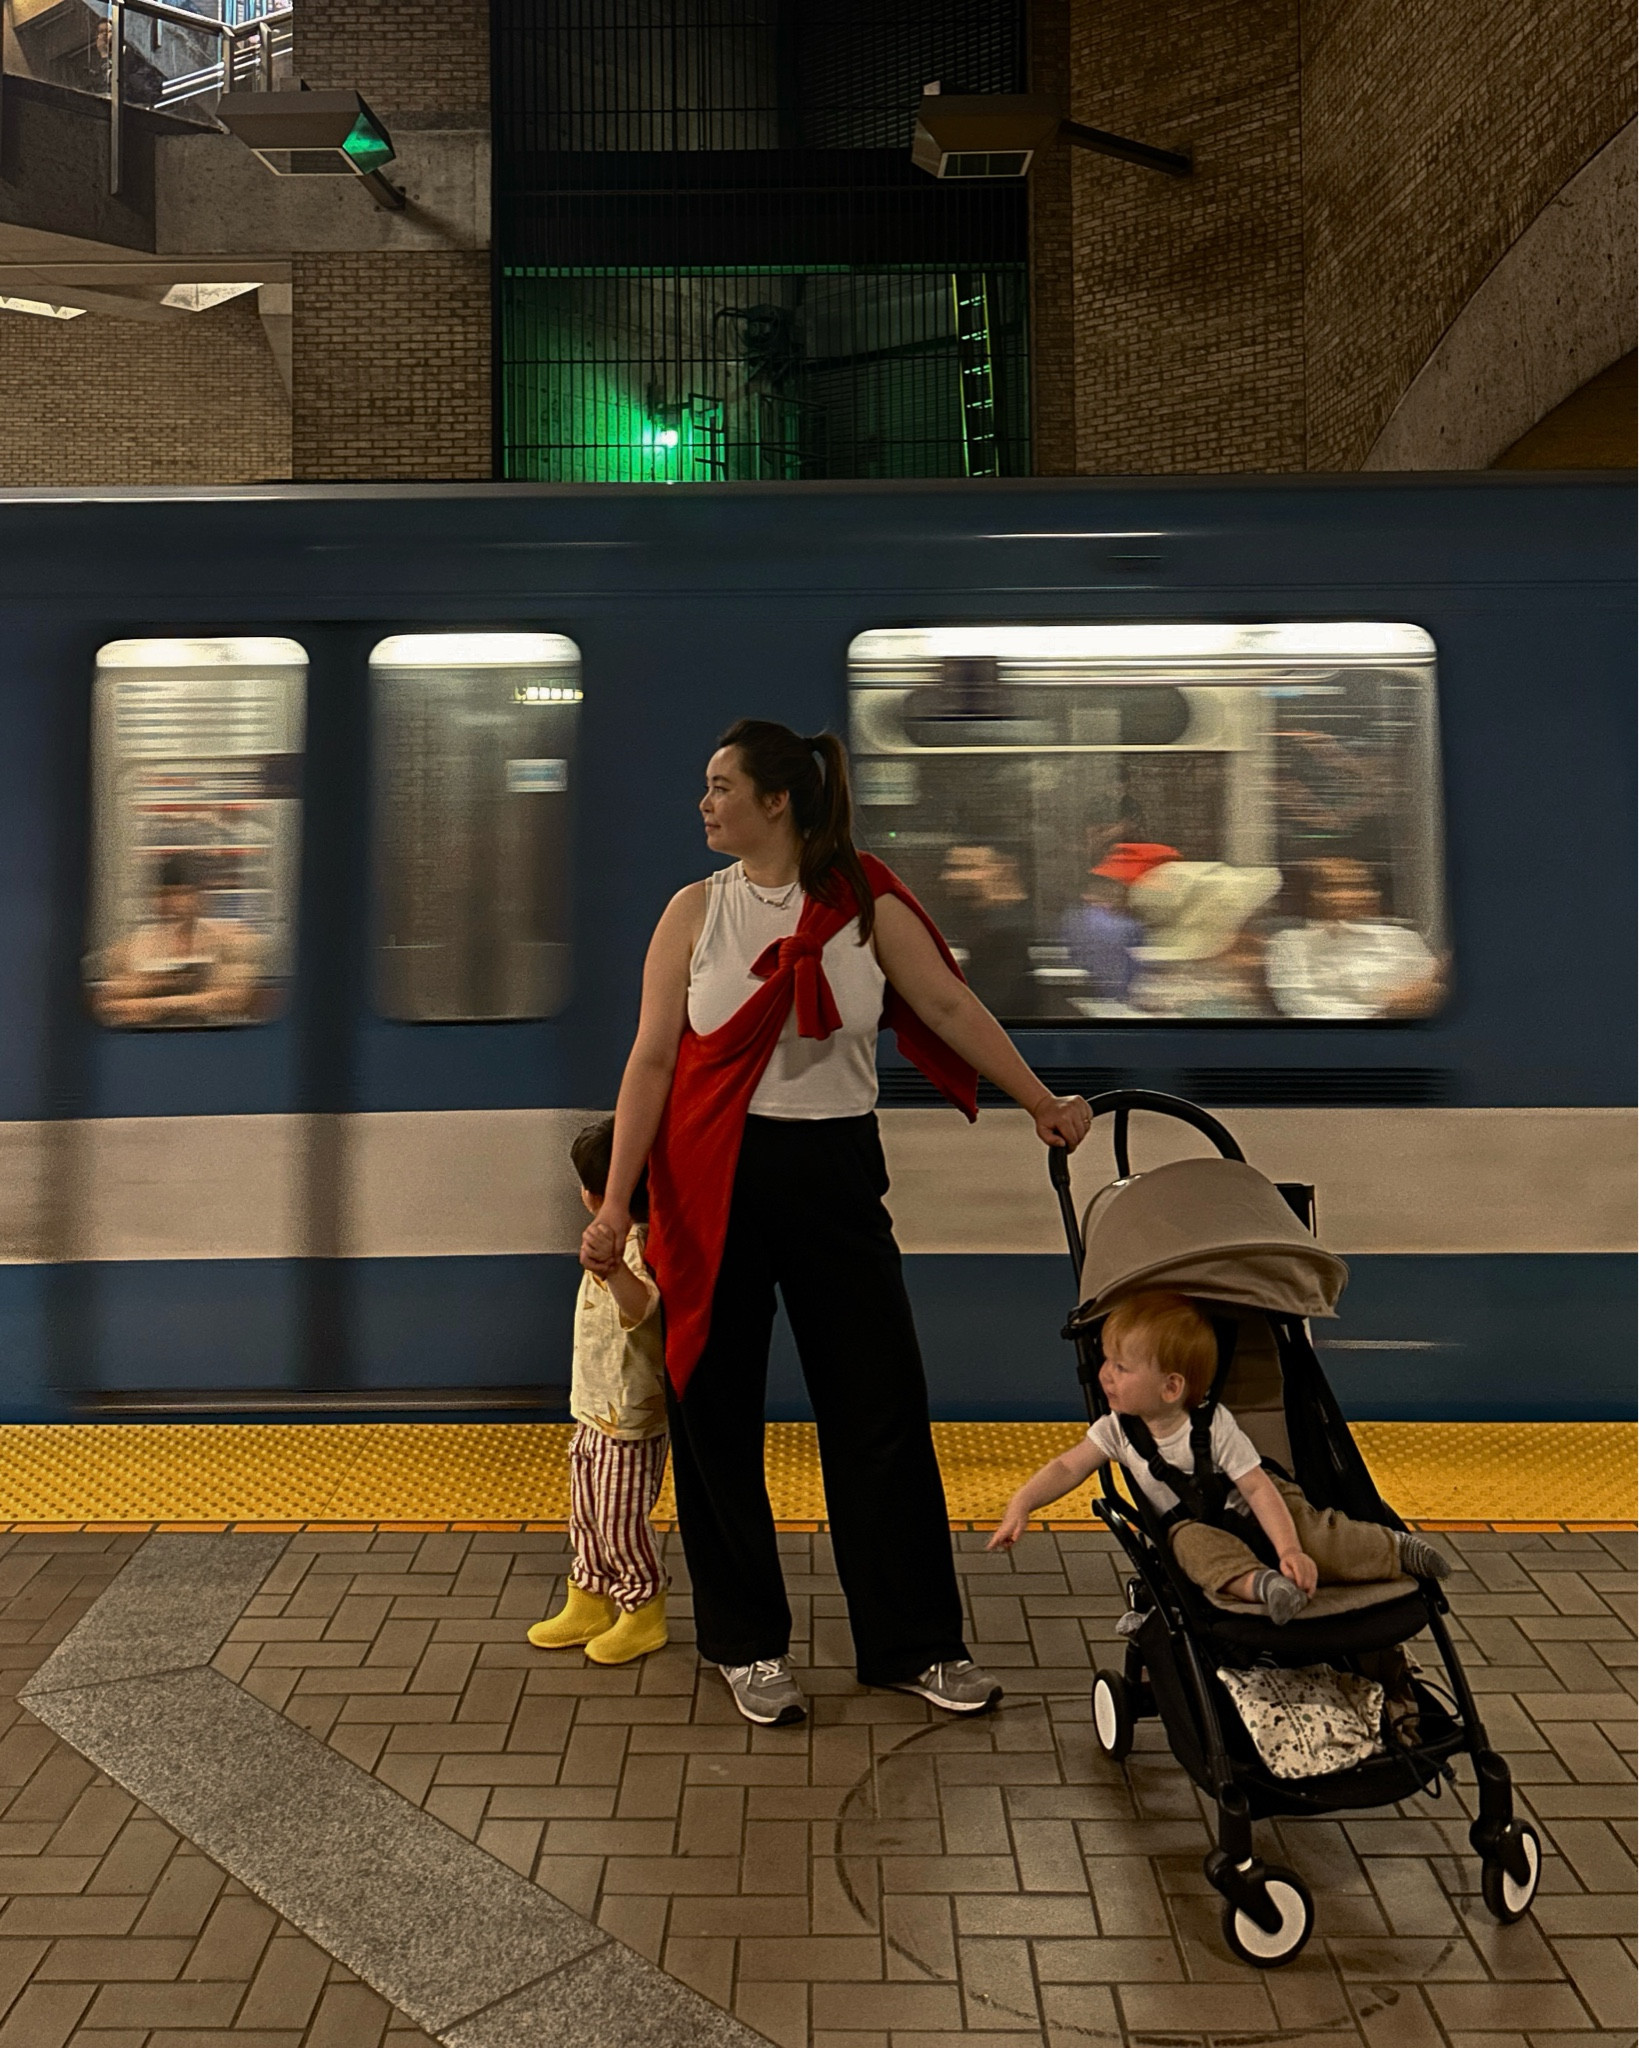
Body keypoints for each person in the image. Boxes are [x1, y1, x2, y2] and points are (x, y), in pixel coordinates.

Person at [580, 719, 1092, 1727]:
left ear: (778, 801)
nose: (705, 802)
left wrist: (1039, 1098)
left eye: (722, 785)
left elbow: (946, 1005)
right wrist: (613, 1199)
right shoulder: (693, 912)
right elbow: (650, 1061)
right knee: (714, 1409)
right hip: (710, 1175)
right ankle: (747, 1643)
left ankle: (914, 1644)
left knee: (879, 1401)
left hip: (835, 1169)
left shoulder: (861, 902)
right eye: (705, 783)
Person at [988, 1291, 1449, 1623]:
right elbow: (1067, 1466)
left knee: (1313, 1533)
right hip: (1193, 1522)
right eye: (1106, 1361)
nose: (1104, 1375)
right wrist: (1022, 1504)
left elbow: (1257, 1487)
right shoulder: (1116, 1431)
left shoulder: (1214, 1424)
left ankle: (1394, 1550)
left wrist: (1288, 1549)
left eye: (1121, 1367)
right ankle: (1261, 1587)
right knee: (1193, 1550)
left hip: (1259, 1504)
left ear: (1171, 1387)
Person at [527, 1118, 669, 1665]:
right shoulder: (618, 1239)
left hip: (631, 1420)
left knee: (619, 1518)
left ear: (594, 1195)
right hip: (594, 1410)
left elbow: (645, 1310)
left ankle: (642, 1608)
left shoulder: (644, 1246)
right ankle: (588, 1597)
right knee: (586, 1512)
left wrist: (612, 1272)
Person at [93, 853, 265, 1027]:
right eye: (165, 895)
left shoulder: (228, 941)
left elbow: (231, 998)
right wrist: (155, 984)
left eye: (182, 894)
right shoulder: (135, 946)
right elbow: (110, 1001)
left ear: (201, 897)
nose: (173, 903)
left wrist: (155, 1004)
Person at [1265, 858, 1442, 1019]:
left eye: (1358, 886)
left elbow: (1425, 994)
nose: (1348, 895)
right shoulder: (1289, 943)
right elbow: (1298, 1005)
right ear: (1313, 894)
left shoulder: (1401, 939)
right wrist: (1385, 1010)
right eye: (1332, 887)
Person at [939, 843, 1039, 1019]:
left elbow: (994, 1002)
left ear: (999, 871)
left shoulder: (1006, 930)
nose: (949, 877)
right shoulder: (968, 920)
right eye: (951, 868)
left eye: (967, 868)